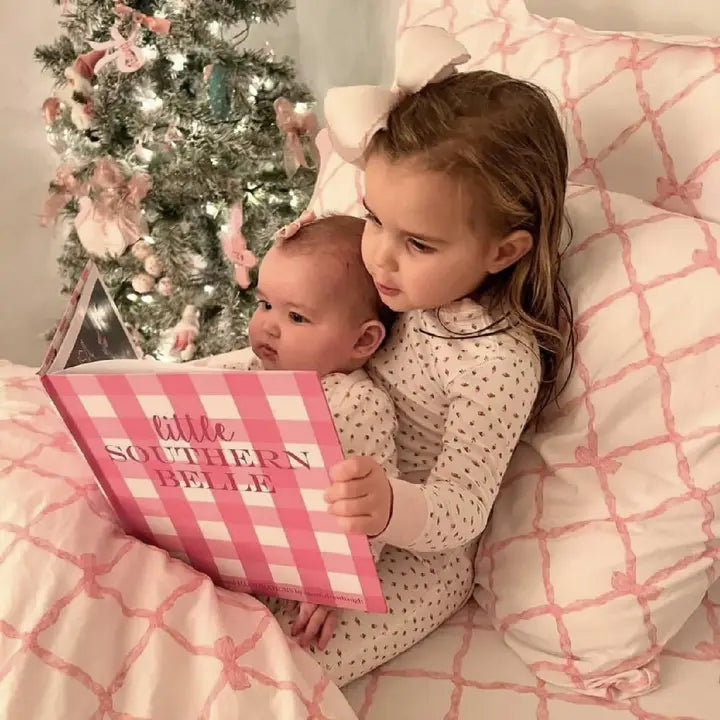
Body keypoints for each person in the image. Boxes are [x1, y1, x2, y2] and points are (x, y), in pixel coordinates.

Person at [296, 24, 575, 686]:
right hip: (329, 500)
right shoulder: (393, 281)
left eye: (418, 243)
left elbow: (462, 506)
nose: (380, 256)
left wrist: (386, 511)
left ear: (504, 250)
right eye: (373, 218)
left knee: (283, 661)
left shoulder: (494, 360)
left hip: (414, 558)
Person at [192, 210, 397, 648]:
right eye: (264, 304)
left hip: (289, 563)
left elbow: (366, 513)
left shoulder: (355, 405)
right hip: (221, 536)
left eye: (296, 318)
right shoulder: (257, 365)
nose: (267, 325)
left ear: (362, 342)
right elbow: (195, 379)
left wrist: (333, 586)